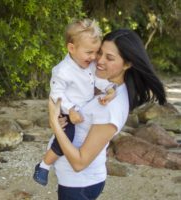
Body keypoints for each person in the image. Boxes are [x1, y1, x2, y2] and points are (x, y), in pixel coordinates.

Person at [47, 29, 166, 200]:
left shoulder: (111, 107)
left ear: (127, 64)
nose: (99, 60)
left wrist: (55, 125)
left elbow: (79, 163)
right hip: (76, 181)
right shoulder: (107, 87)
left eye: (109, 58)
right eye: (99, 53)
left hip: (79, 184)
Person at [33, 19, 116, 186]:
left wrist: (109, 88)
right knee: (67, 136)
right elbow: (56, 94)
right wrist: (70, 110)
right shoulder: (62, 71)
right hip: (66, 109)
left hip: (82, 109)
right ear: (71, 48)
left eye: (96, 52)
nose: (94, 57)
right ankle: (43, 166)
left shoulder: (90, 64)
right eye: (89, 52)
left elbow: (97, 81)